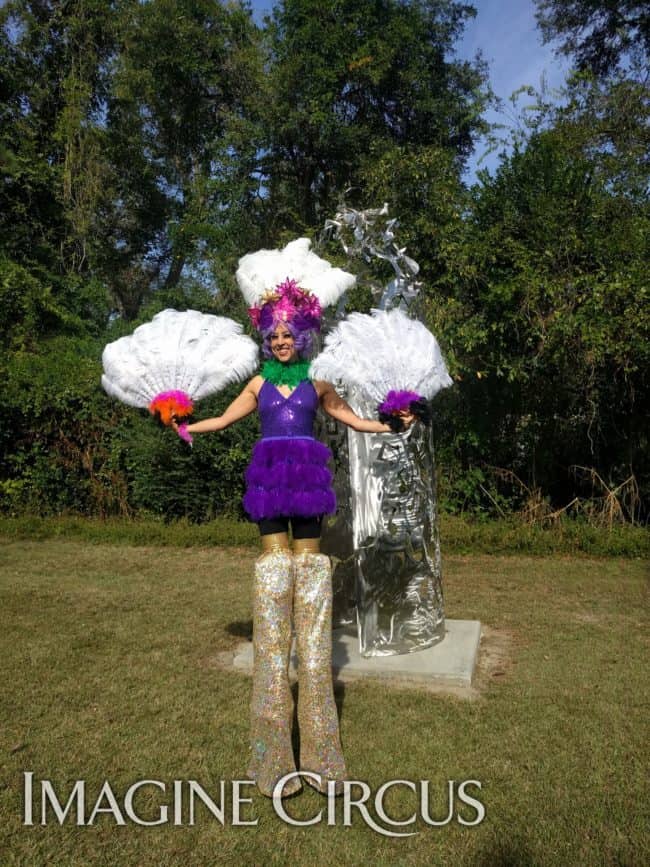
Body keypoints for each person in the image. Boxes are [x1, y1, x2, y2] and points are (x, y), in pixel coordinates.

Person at [172, 280, 413, 798]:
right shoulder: (259, 385)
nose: (282, 341)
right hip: (268, 482)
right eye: (274, 335)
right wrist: (185, 422)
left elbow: (351, 420)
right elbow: (222, 418)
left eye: (289, 334)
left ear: (304, 337)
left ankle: (322, 746)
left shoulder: (320, 382)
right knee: (274, 576)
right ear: (266, 339)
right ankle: (271, 750)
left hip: (307, 484)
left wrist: (393, 423)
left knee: (311, 580)